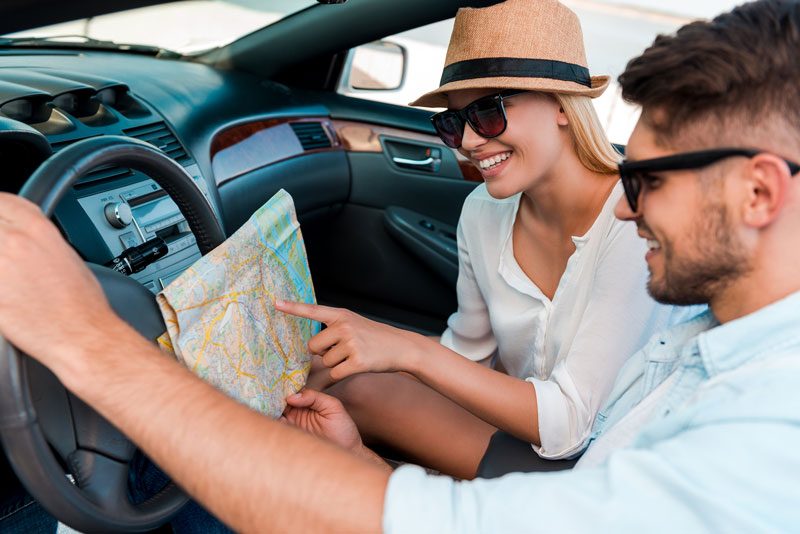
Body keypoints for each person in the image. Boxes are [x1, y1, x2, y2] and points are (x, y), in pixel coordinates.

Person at [1, 0, 800, 531]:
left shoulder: (763, 443)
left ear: (761, 190)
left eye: (646, 181)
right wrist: (360, 458)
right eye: (457, 124)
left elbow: (547, 469)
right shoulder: (701, 340)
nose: (626, 208)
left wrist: (85, 338)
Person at [283, 0, 693, 480]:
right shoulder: (483, 210)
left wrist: (410, 350)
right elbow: (466, 355)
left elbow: (569, 425)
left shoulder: (632, 221)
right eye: (453, 122)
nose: (470, 142)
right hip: (525, 433)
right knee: (333, 386)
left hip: (608, 463)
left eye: (489, 112)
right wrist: (359, 357)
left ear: (562, 106)